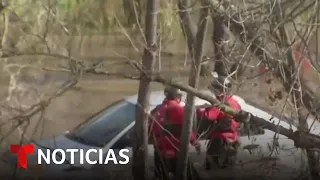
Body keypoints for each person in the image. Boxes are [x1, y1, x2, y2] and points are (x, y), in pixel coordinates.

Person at [196, 75, 249, 171]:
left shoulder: (220, 103)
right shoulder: (234, 102)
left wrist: (199, 110)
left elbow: (208, 116)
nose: (213, 91)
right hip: (234, 139)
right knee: (228, 169)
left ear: (219, 89)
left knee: (211, 168)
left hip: (220, 141)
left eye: (215, 89)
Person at [149, 86, 201, 180]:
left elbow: (150, 130)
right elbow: (186, 129)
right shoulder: (178, 109)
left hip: (159, 152)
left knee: (160, 176)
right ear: (177, 96)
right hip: (175, 150)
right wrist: (195, 143)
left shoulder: (157, 110)